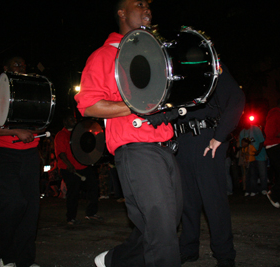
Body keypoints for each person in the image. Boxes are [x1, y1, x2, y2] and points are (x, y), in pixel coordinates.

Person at [74, 1, 183, 266]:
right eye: (139, 4)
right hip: (137, 150)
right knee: (163, 230)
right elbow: (88, 104)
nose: (147, 9)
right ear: (121, 13)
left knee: (164, 224)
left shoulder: (154, 53)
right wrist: (138, 105)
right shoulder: (105, 55)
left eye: (149, 5)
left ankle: (115, 260)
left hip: (165, 147)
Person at [0, 56, 41, 267]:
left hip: (29, 154)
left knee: (31, 210)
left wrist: (37, 129)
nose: (21, 67)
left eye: (23, 64)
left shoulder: (30, 90)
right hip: (2, 153)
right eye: (16, 64)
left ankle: (25, 260)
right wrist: (15, 131)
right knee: (12, 202)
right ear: (5, 69)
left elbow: (39, 121)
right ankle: (6, 254)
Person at [174, 63, 245, 267]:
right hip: (181, 141)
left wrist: (220, 136)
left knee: (213, 199)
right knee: (186, 200)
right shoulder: (174, 70)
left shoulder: (210, 65)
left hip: (206, 138)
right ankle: (188, 248)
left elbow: (236, 98)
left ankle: (224, 253)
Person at [54, 115, 101, 225]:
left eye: (74, 119)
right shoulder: (61, 135)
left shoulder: (79, 133)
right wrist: (69, 164)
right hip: (69, 168)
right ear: (65, 121)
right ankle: (71, 218)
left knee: (94, 187)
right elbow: (61, 153)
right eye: (71, 119)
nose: (74, 121)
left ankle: (91, 213)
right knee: (73, 193)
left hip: (83, 166)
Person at [238, 115, 268, 195]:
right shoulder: (242, 132)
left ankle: (264, 188)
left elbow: (262, 141)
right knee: (252, 174)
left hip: (259, 155)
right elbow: (241, 145)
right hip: (250, 157)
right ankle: (253, 190)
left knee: (262, 172)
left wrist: (258, 151)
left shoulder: (255, 129)